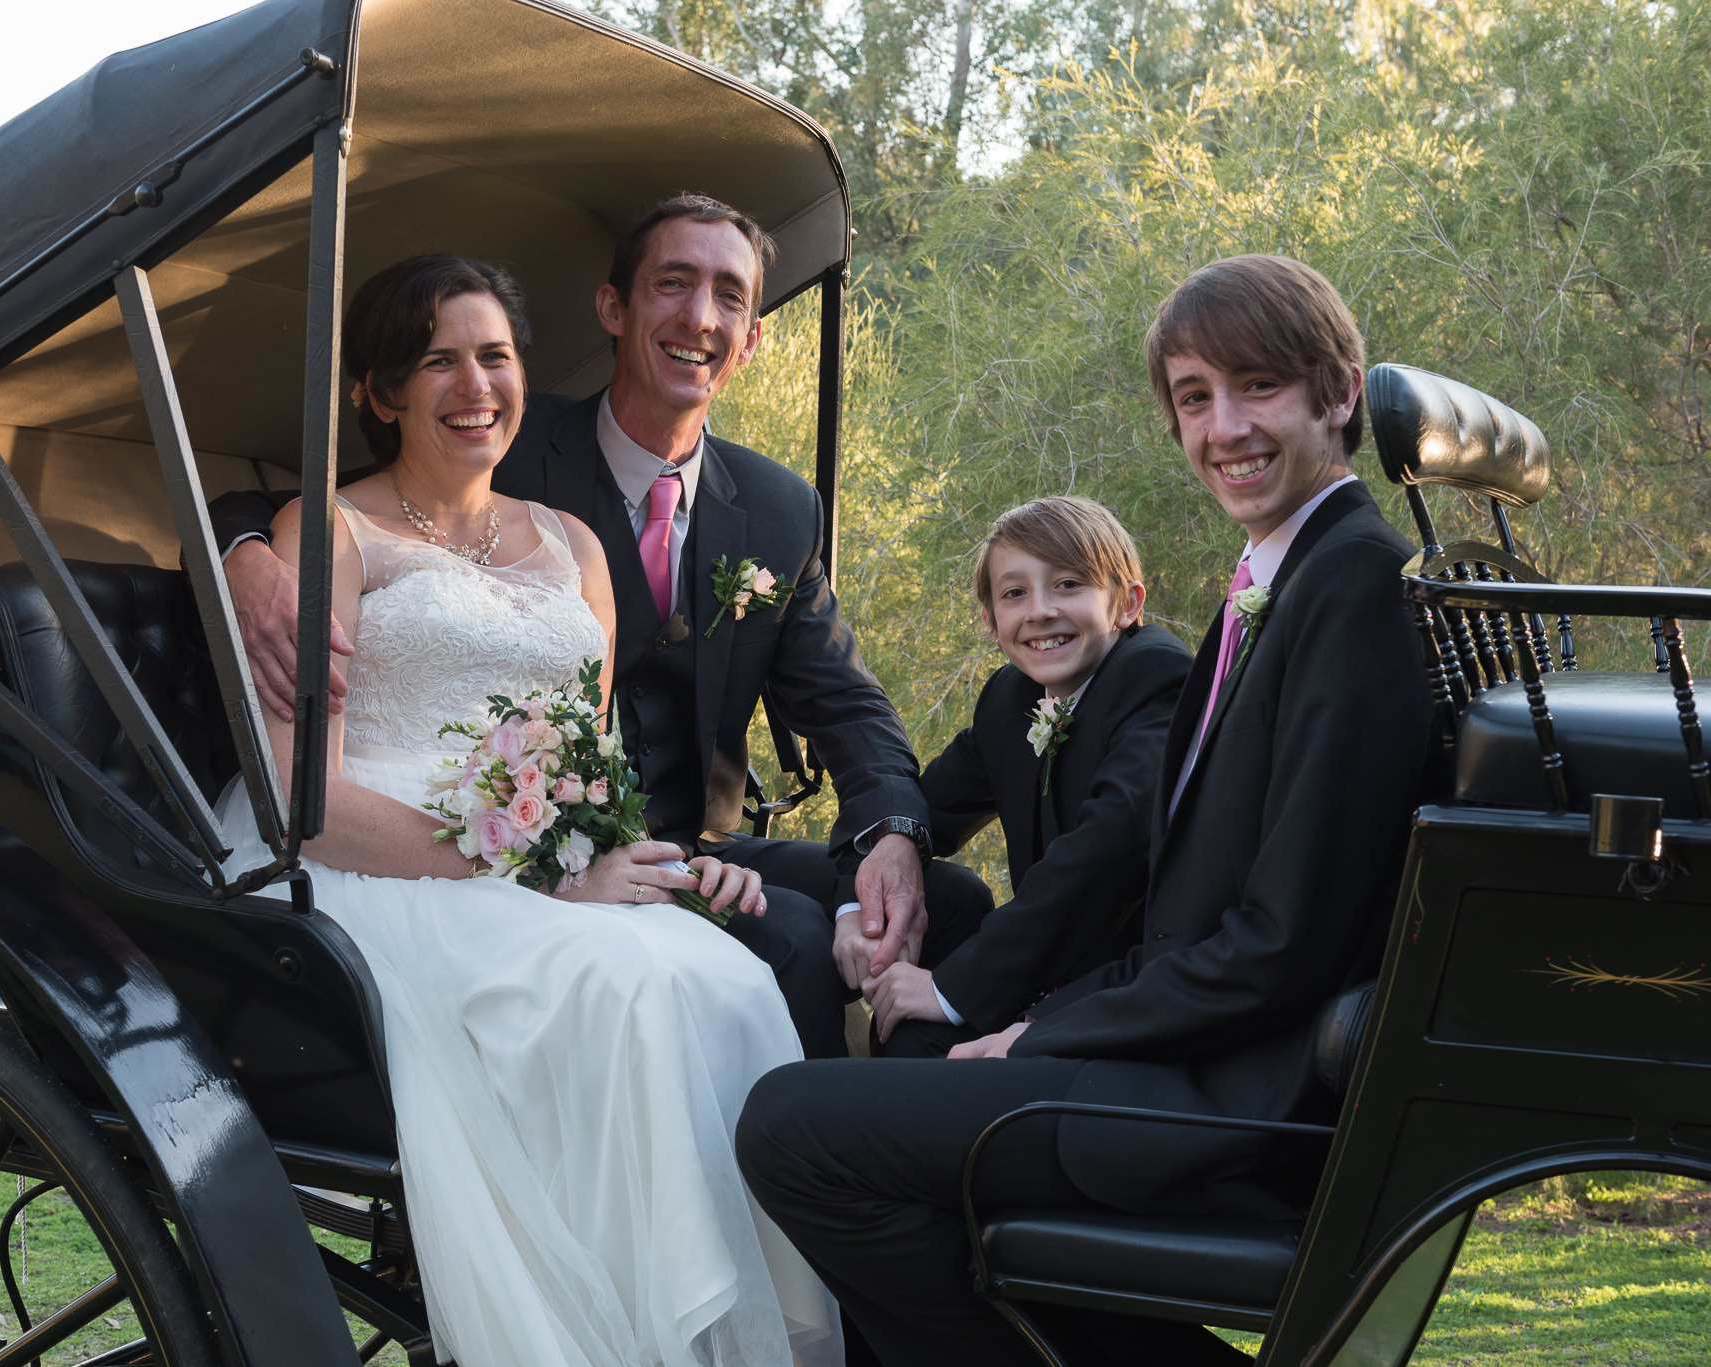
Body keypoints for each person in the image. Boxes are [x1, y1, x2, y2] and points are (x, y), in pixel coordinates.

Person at [735, 254, 1435, 1367]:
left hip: (1231, 1100)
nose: (1223, 428)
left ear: (1338, 392)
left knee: (791, 1128)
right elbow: (1186, 911)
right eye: (1193, 398)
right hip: (1183, 1054)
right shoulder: (1279, 580)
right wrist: (913, 874)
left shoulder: (1350, 583)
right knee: (892, 1083)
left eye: (1256, 386)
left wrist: (1039, 1029)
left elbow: (1279, 941)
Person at [217, 252, 841, 1367]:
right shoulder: (332, 532)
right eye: (438, 360)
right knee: (620, 988)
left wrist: (656, 861)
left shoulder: (570, 541)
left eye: (494, 355)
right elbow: (297, 801)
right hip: (376, 866)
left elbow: (588, 772)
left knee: (728, 977)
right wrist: (529, 871)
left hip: (544, 862)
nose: (475, 384)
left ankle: (704, 1335)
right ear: (381, 391)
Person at [211, 193, 991, 1059]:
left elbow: (847, 703)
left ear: (753, 336)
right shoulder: (502, 431)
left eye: (729, 295)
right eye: (673, 283)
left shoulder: (776, 508)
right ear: (613, 309)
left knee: (950, 904)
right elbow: (316, 501)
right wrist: (243, 552)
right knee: (798, 938)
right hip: (515, 844)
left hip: (664, 836)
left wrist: (891, 834)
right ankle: (813, 1166)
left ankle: (903, 1140)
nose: (699, 316)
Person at [864, 497, 1191, 1059]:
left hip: (1135, 988)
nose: (1039, 611)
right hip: (1049, 973)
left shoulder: (1156, 681)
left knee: (917, 1045)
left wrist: (950, 986)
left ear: (1127, 604)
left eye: (1068, 584)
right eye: (1014, 593)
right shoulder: (1010, 698)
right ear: (992, 623)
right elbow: (931, 804)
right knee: (905, 1035)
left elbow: (1105, 855)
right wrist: (892, 846)